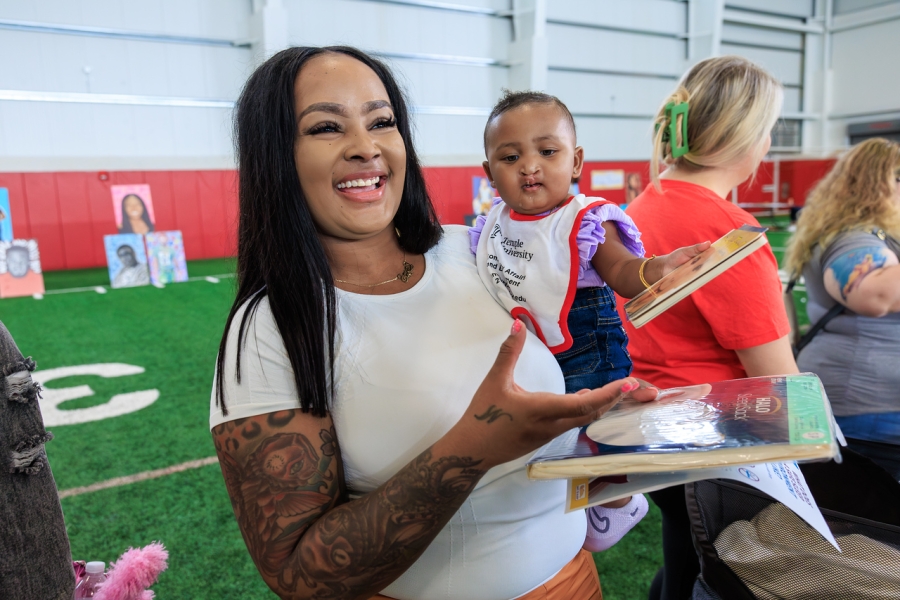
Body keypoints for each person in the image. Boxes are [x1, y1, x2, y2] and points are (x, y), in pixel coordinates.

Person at [210, 46, 656, 600]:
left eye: (382, 121)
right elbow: (299, 574)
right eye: (326, 127)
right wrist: (474, 446)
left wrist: (600, 411)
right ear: (276, 154)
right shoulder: (270, 328)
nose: (365, 147)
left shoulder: (476, 250)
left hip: (573, 582)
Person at [468, 90, 708, 554]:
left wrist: (659, 269)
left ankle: (620, 503)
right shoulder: (492, 226)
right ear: (489, 172)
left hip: (588, 348)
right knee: (550, 437)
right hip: (531, 354)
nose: (529, 165)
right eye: (511, 156)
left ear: (575, 161)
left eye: (547, 151)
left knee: (599, 427)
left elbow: (622, 271)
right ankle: (574, 501)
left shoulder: (584, 220)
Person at [620, 56, 799, 600]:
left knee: (684, 553)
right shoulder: (726, 228)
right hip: (718, 436)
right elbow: (776, 376)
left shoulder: (641, 206)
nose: (768, 144)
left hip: (652, 425)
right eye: (768, 130)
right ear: (747, 138)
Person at [785, 137, 900, 480]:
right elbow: (874, 295)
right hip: (869, 407)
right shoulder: (853, 237)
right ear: (877, 185)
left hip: (870, 402)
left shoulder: (860, 233)